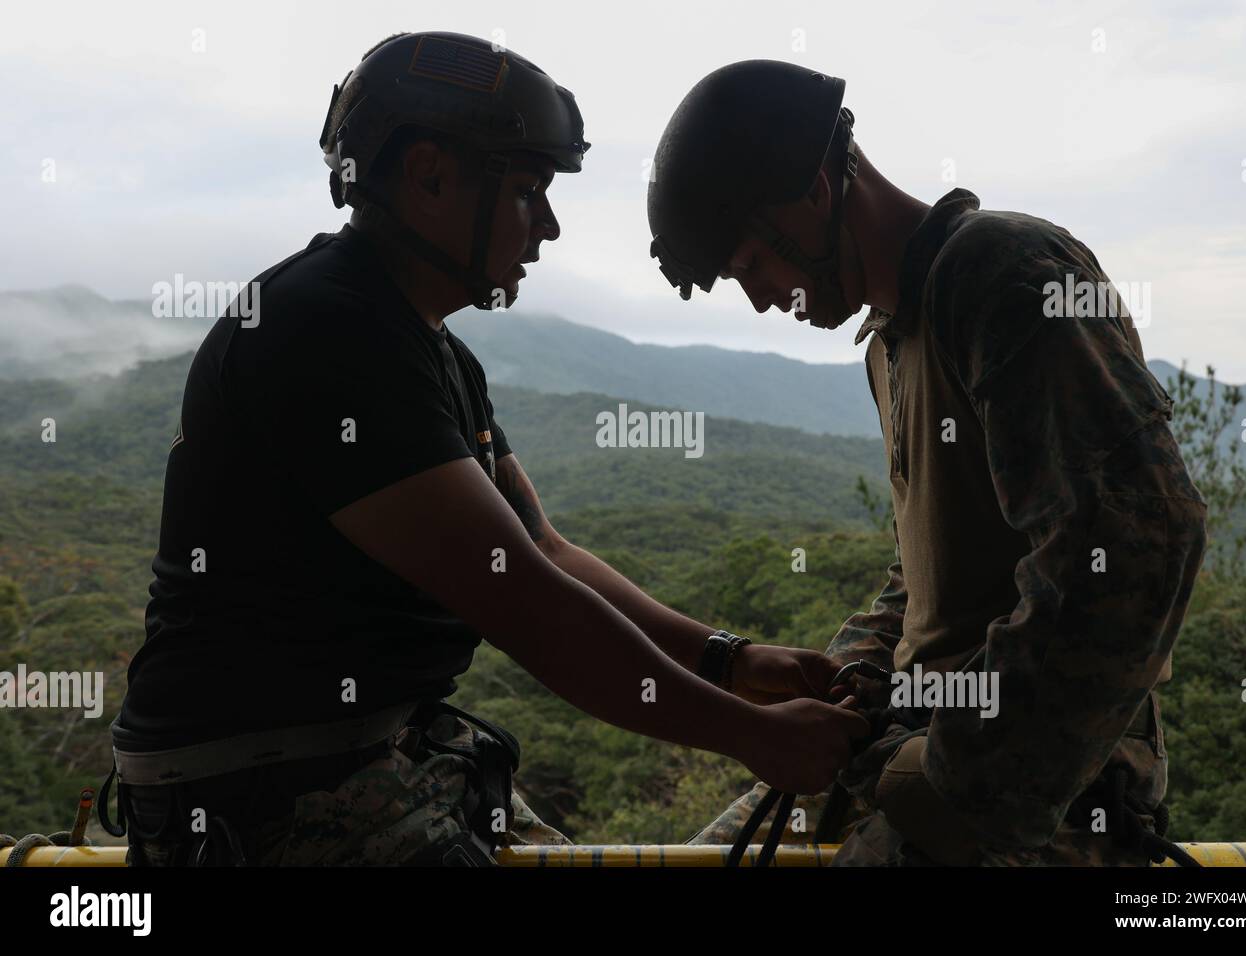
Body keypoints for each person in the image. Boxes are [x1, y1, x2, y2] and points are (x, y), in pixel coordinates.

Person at [104, 35, 867, 867]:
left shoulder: (429, 349)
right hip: (263, 791)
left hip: (375, 752)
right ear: (429, 177)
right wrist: (750, 734)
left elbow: (545, 550)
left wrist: (733, 660)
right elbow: (527, 602)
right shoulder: (325, 329)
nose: (549, 225)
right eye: (528, 191)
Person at [647, 60, 1208, 865]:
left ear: (813, 192)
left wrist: (955, 779)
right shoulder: (893, 340)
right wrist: (859, 669)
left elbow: (1140, 539)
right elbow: (931, 572)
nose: (762, 300)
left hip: (1050, 790)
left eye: (751, 268)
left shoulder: (1002, 275)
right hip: (922, 745)